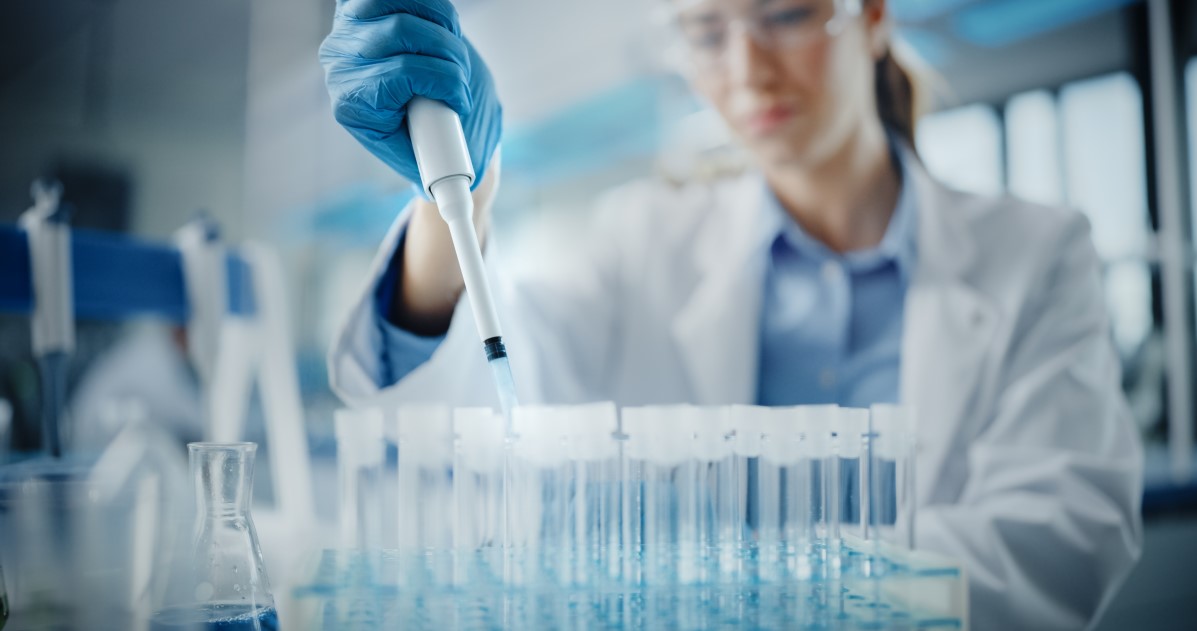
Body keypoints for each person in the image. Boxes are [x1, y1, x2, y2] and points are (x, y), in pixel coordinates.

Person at [319, 0, 1142, 627]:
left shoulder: (1036, 252)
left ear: (873, 16)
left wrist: (765, 597)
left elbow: (1059, 538)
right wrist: (460, 200)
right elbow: (491, 393)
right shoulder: (642, 241)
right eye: (706, 31)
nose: (747, 69)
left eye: (785, 14)